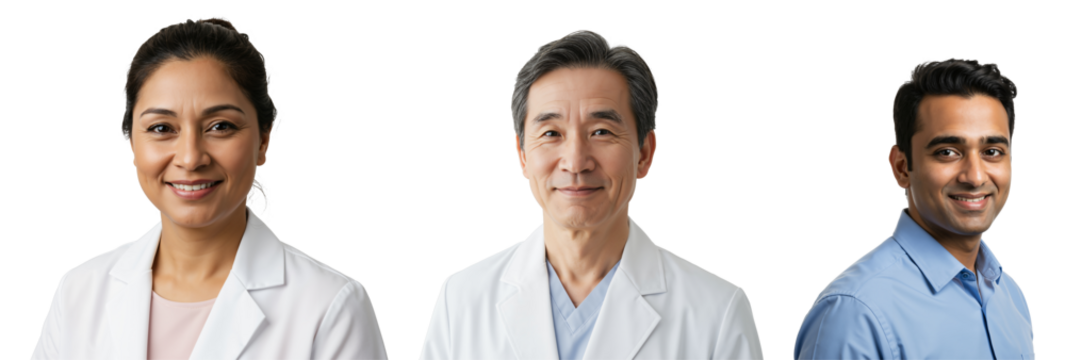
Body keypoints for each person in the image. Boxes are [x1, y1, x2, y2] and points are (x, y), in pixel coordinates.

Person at [30, 17, 388, 359]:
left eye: (220, 126)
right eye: (161, 128)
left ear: (264, 141)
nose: (190, 157)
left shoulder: (331, 306)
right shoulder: (78, 292)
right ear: (132, 145)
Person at [418, 29, 764, 360]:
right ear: (521, 155)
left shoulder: (718, 312)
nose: (575, 162)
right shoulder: (461, 300)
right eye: (551, 133)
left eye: (601, 131)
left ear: (645, 153)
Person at [792, 58, 1035, 359]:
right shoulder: (855, 314)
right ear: (901, 167)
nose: (974, 176)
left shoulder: (1011, 297)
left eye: (992, 152)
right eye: (947, 152)